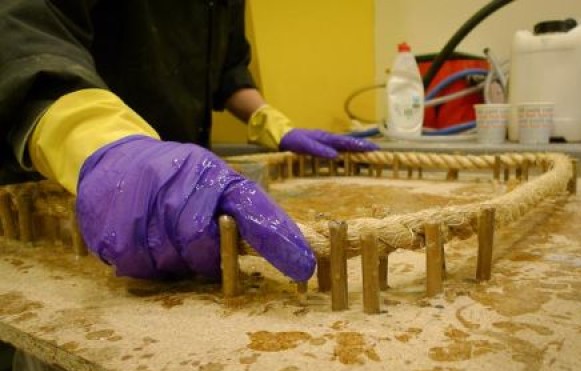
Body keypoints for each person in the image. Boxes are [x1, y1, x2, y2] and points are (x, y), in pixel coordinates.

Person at [0, 0, 379, 284]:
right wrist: (95, 140)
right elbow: (24, 29)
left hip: (190, 194)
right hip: (76, 185)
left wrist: (273, 123)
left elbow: (230, 73)